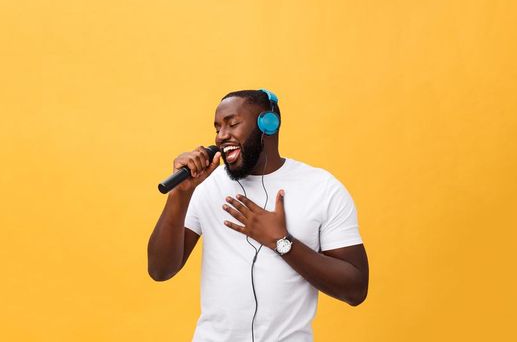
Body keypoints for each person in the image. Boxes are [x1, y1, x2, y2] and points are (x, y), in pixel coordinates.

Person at [146, 89, 369, 341]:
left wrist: (281, 242)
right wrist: (180, 195)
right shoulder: (205, 185)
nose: (221, 136)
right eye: (217, 128)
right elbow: (160, 270)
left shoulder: (322, 188)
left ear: (268, 124)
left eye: (232, 124)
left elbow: (356, 288)